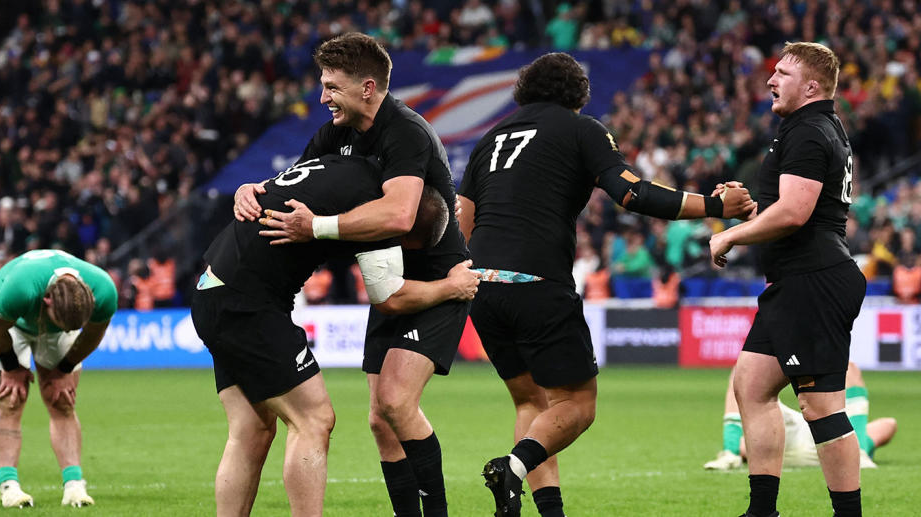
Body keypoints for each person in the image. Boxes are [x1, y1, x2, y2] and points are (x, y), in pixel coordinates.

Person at [455, 52, 755, 517]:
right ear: (578, 95)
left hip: (482, 284)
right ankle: (512, 467)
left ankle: (542, 509)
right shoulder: (582, 129)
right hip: (537, 281)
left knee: (532, 404)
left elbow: (464, 219)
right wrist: (716, 208)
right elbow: (633, 193)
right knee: (576, 404)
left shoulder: (491, 138)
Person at [234, 33, 469, 517]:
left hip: (438, 279)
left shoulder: (406, 132)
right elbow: (295, 188)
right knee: (381, 422)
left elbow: (401, 215)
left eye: (331, 87)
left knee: (396, 402)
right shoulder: (334, 133)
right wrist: (250, 189)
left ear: (367, 88)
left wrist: (316, 227)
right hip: (384, 276)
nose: (322, 98)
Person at [196, 153, 479, 517]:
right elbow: (389, 296)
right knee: (314, 419)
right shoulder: (382, 210)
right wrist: (450, 287)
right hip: (248, 303)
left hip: (209, 288)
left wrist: (245, 190)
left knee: (249, 431)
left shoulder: (344, 164)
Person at [709, 42, 865, 517]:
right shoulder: (812, 128)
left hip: (813, 280)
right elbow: (794, 208)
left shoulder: (809, 131)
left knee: (822, 407)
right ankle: (763, 510)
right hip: (797, 279)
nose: (770, 80)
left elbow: (796, 213)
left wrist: (731, 234)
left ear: (812, 86)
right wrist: (751, 209)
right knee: (751, 386)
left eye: (781, 73)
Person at [0, 249, 118, 508]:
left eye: (73, 327)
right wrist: (11, 368)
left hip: (50, 327)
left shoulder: (104, 292)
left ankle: (74, 487)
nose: (70, 331)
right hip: (11, 325)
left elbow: (92, 335)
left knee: (62, 400)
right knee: (11, 398)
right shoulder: (19, 290)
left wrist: (64, 370)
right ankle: (9, 487)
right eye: (64, 324)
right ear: (47, 301)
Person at [704, 362, 897, 471]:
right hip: (831, 441)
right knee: (851, 370)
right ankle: (859, 453)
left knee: (743, 371)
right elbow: (888, 425)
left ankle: (730, 453)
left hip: (794, 441)